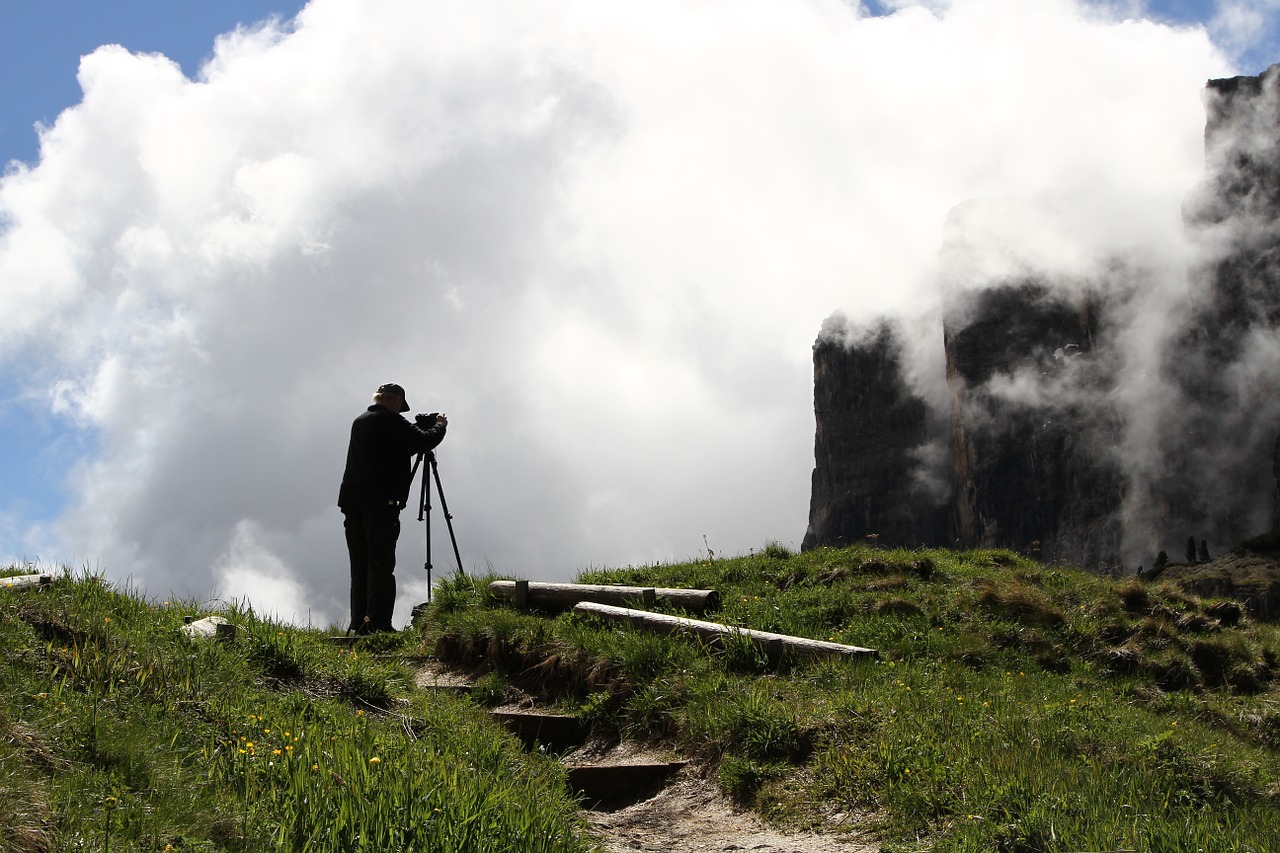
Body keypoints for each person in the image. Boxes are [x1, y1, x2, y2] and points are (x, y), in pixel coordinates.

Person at [338, 383, 448, 634]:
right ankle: (378, 625)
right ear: (397, 401)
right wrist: (440, 425)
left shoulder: (361, 421)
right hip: (380, 504)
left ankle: (359, 624)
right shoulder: (390, 421)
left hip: (352, 502)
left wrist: (415, 431)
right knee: (381, 565)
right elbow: (424, 441)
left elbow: (397, 450)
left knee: (360, 565)